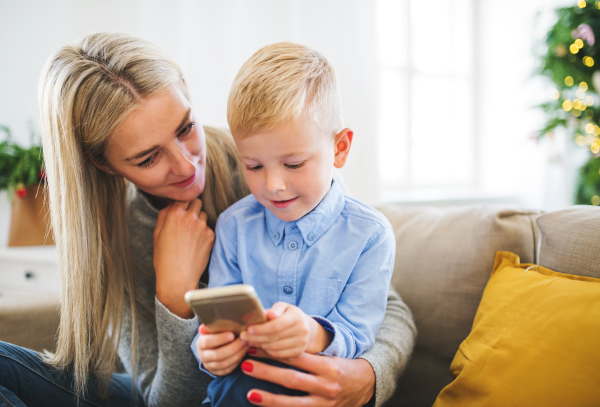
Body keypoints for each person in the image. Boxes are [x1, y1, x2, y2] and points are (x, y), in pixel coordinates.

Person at [0, 32, 416, 407]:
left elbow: (384, 305)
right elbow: (161, 398)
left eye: (186, 128)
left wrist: (368, 375)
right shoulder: (118, 233)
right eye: (148, 157)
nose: (185, 166)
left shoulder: (271, 166)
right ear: (104, 165)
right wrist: (174, 295)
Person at [192, 42, 396, 407]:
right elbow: (220, 319)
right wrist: (208, 350)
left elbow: (358, 332)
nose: (272, 185)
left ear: (340, 148)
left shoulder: (370, 235)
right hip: (236, 391)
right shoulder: (234, 226)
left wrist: (314, 335)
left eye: (294, 164)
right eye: (253, 166)